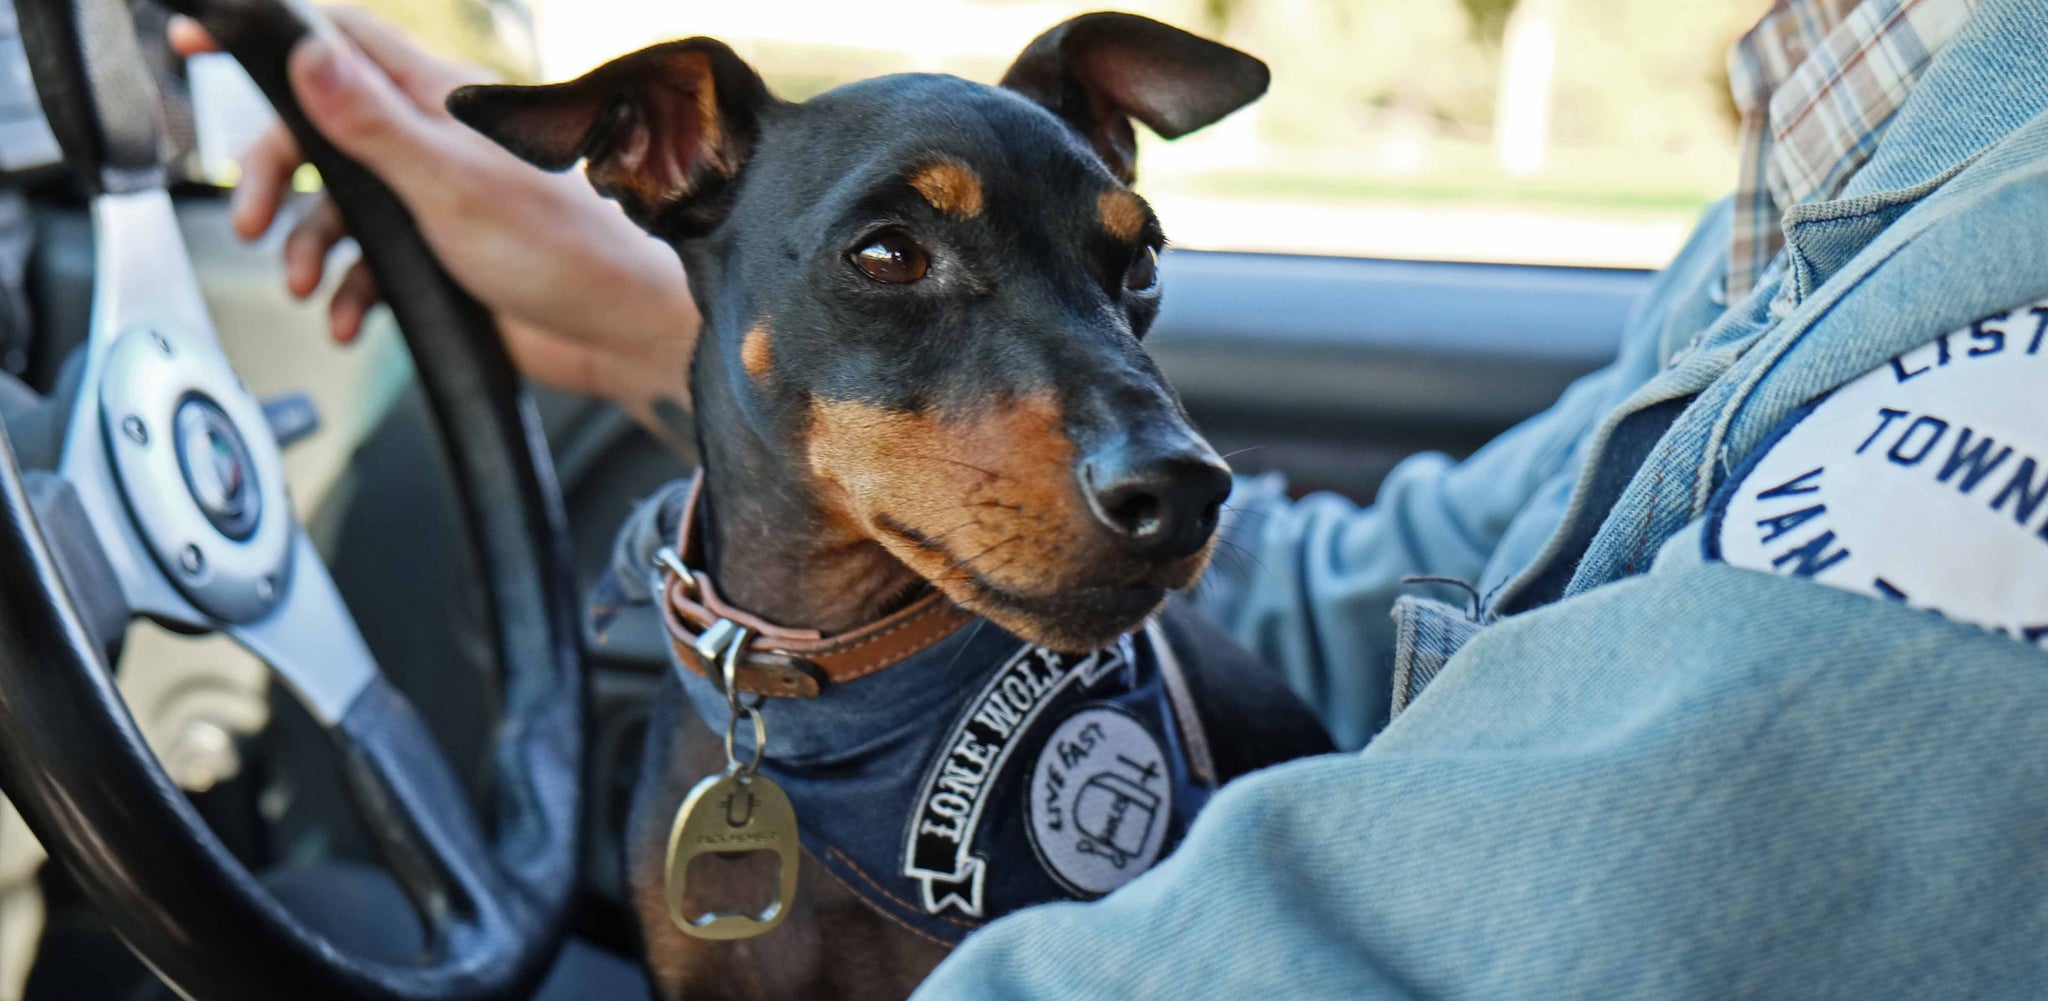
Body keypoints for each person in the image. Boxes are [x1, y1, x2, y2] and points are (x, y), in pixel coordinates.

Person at [175, 1, 2048, 996]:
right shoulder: (1832, 139)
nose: (1155, 443)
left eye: (1117, 272)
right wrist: (600, 310)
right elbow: (1453, 583)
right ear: (658, 164)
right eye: (893, 261)